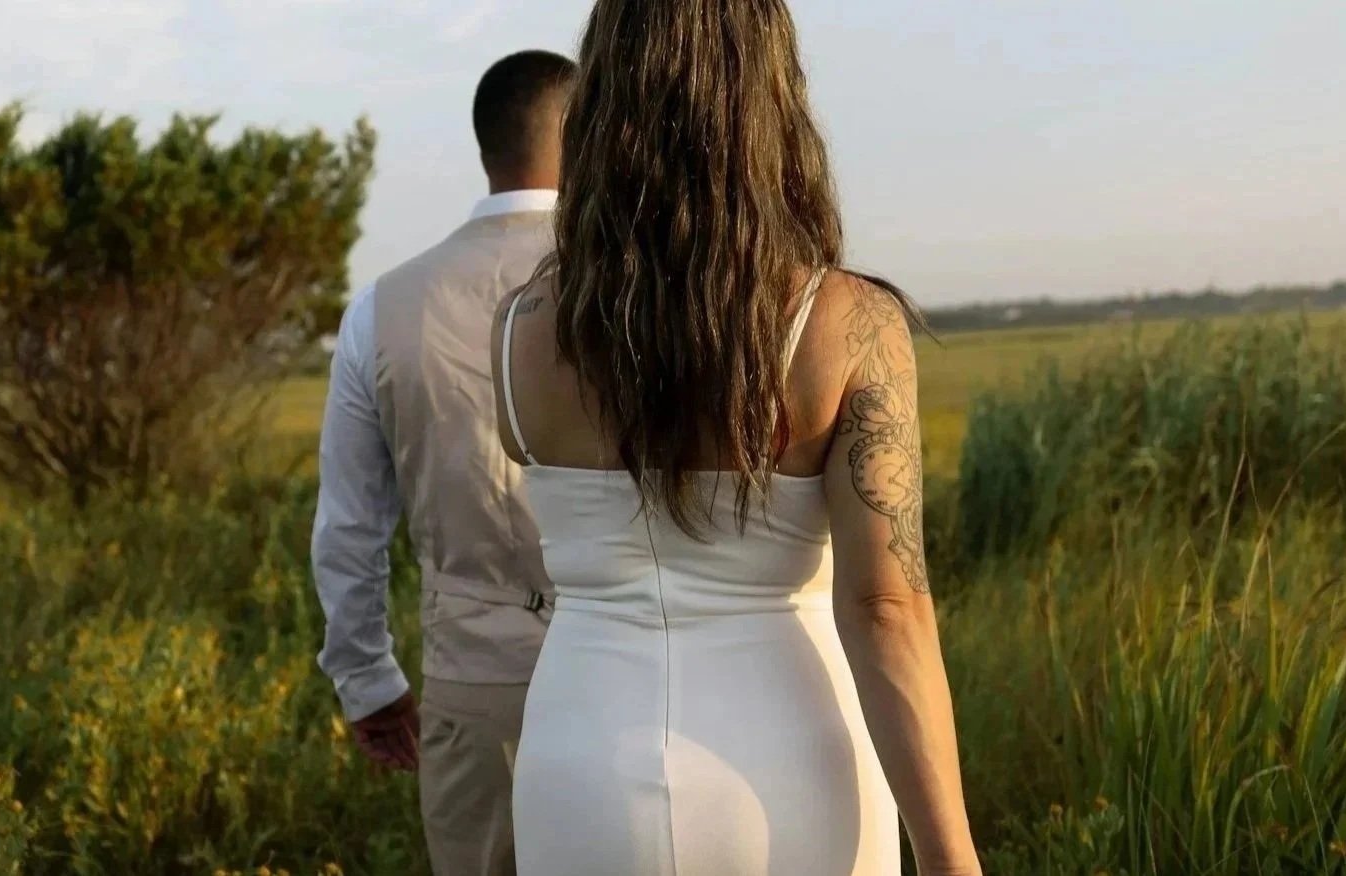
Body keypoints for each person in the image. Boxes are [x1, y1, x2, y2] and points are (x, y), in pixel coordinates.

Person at [492, 1, 981, 873]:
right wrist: (952, 858)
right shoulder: (846, 325)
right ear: (769, 100)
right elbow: (885, 610)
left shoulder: (517, 330)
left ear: (600, 102)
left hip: (579, 764)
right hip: (788, 762)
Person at [311, 49, 577, 875]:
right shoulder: (646, 282)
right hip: (639, 672)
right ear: (593, 135)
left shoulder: (382, 309)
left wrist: (367, 679)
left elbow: (349, 528)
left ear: (486, 148)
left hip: (473, 679)